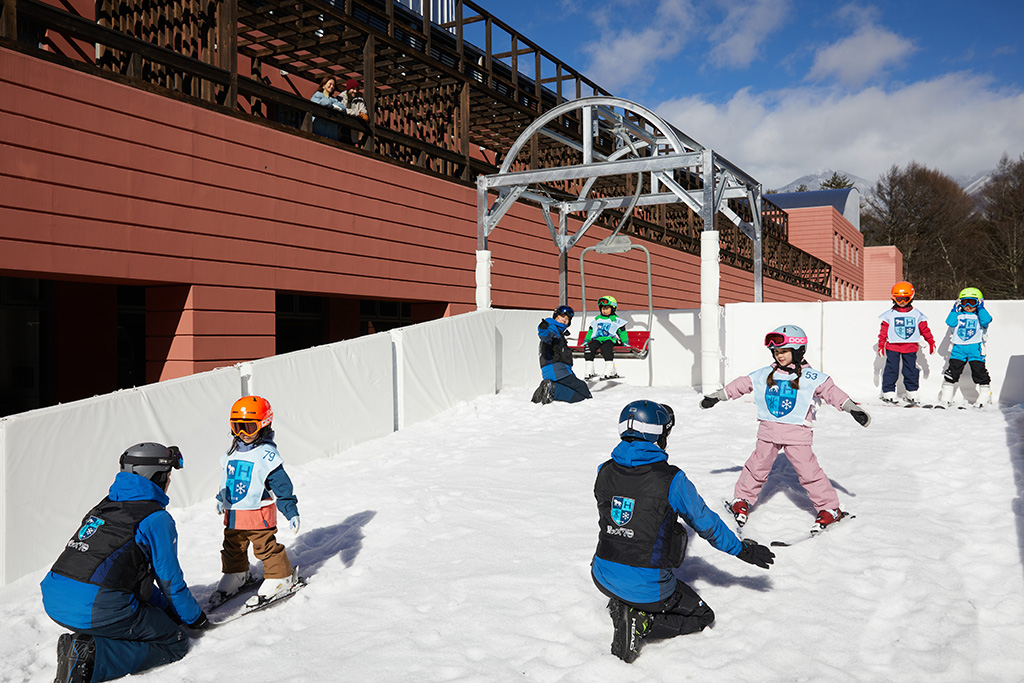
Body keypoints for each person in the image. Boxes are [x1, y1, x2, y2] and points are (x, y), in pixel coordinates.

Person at [592, 400, 775, 663]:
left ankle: (621, 602)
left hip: (601, 576)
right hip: (649, 589)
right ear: (658, 434)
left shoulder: (603, 470)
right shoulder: (672, 480)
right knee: (703, 616)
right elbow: (706, 524)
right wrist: (741, 549)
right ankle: (642, 621)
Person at [40, 443, 207, 683]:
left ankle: (88, 642)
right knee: (175, 641)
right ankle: (92, 656)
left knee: (138, 613)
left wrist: (166, 610)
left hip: (55, 600)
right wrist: (194, 618)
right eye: (168, 476)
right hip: (94, 608)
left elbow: (124, 574)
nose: (169, 482)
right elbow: (170, 581)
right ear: (156, 477)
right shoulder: (156, 518)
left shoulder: (104, 506)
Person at [701, 325, 871, 531]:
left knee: (809, 472)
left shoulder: (812, 378)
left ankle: (829, 508)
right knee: (756, 467)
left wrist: (852, 408)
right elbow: (742, 384)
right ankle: (742, 499)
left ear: (798, 351)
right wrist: (718, 396)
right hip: (768, 431)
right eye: (776, 352)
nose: (779, 356)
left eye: (784, 351)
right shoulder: (766, 373)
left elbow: (832, 392)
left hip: (797, 434)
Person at [215, 396, 301, 605]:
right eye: (237, 427)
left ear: (263, 426)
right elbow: (229, 477)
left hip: (258, 514)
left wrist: (290, 510)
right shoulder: (232, 452)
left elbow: (282, 486)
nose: (243, 434)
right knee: (232, 545)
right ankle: (236, 573)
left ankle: (281, 576)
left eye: (249, 427)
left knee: (264, 547)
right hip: (234, 513)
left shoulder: (266, 455)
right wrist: (221, 497)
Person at [877, 281, 935, 405]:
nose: (902, 302)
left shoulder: (917, 314)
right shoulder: (889, 315)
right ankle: (888, 391)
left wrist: (931, 342)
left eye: (905, 298)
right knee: (891, 369)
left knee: (910, 370)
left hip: (910, 347)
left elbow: (924, 329)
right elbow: (883, 331)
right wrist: (881, 344)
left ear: (911, 297)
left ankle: (911, 391)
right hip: (893, 347)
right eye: (898, 299)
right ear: (893, 298)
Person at [939, 287, 993, 408]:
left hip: (975, 350)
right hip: (958, 350)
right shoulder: (958, 315)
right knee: (952, 372)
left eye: (972, 302)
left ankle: (985, 395)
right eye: (964, 302)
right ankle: (946, 397)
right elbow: (950, 322)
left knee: (979, 372)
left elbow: (987, 320)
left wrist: (981, 308)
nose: (968, 306)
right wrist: (954, 309)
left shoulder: (980, 316)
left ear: (978, 302)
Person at [531, 305, 592, 404]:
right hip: (557, 370)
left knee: (574, 389)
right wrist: (543, 328)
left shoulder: (558, 331)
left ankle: (546, 389)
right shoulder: (552, 328)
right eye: (562, 316)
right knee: (583, 390)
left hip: (552, 370)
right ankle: (553, 390)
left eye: (567, 318)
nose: (565, 320)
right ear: (556, 316)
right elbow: (546, 335)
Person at [583, 295, 629, 380]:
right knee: (589, 348)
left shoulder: (615, 320)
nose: (604, 310)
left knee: (606, 348)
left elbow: (622, 332)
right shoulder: (597, 319)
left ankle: (609, 368)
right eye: (602, 308)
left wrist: (625, 341)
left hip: (610, 339)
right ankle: (590, 370)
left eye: (607, 308)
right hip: (598, 339)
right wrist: (587, 340)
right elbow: (591, 330)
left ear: (613, 308)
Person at [309, 75, 347, 140]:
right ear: (323, 85)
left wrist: (332, 105)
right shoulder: (317, 95)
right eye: (330, 84)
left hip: (331, 134)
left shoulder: (334, 99)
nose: (332, 86)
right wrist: (334, 106)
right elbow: (325, 103)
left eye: (333, 85)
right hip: (319, 131)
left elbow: (343, 108)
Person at [338, 79, 369, 145]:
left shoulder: (360, 100)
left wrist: (361, 114)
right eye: (353, 89)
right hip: (339, 130)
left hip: (352, 133)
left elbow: (364, 113)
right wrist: (358, 113)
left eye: (357, 89)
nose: (355, 91)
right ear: (348, 88)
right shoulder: (340, 98)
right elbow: (341, 109)